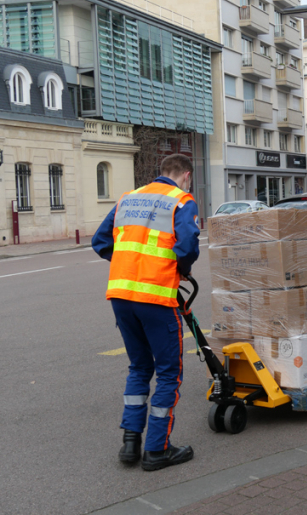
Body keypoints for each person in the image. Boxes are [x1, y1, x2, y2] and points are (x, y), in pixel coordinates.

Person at [92, 154, 200, 471]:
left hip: (121, 295)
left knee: (139, 367)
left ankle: (130, 444)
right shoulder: (181, 200)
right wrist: (178, 270)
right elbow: (188, 245)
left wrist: (131, 265)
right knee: (169, 372)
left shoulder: (129, 198)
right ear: (186, 176)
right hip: (155, 296)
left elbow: (100, 242)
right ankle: (156, 450)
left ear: (161, 173)